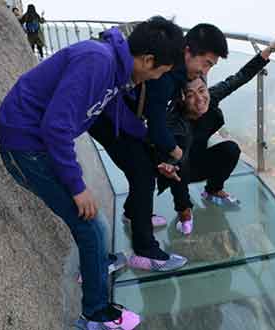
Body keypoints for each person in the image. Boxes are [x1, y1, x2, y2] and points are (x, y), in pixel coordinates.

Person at [0, 17, 184, 330]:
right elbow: (55, 126)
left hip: (35, 143)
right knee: (92, 226)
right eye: (159, 72)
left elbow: (117, 114)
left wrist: (154, 149)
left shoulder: (113, 69)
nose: (155, 79)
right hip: (26, 147)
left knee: (93, 225)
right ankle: (96, 315)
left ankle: (95, 264)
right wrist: (76, 185)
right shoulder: (96, 61)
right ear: (148, 60)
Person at [88, 23, 229, 271]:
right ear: (187, 52)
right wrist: (176, 154)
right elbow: (157, 126)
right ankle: (145, 250)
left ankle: (134, 215)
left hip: (121, 116)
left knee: (143, 169)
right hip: (108, 118)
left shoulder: (174, 70)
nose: (204, 72)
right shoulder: (166, 76)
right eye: (205, 63)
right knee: (142, 171)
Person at [159, 35, 275, 235]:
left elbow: (240, 77)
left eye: (202, 90)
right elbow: (164, 150)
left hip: (199, 163)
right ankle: (185, 212)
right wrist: (167, 164)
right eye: (190, 95)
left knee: (231, 149)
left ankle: (213, 190)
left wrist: (271, 48)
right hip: (178, 169)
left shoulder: (211, 98)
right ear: (180, 99)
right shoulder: (174, 121)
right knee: (180, 163)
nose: (199, 98)